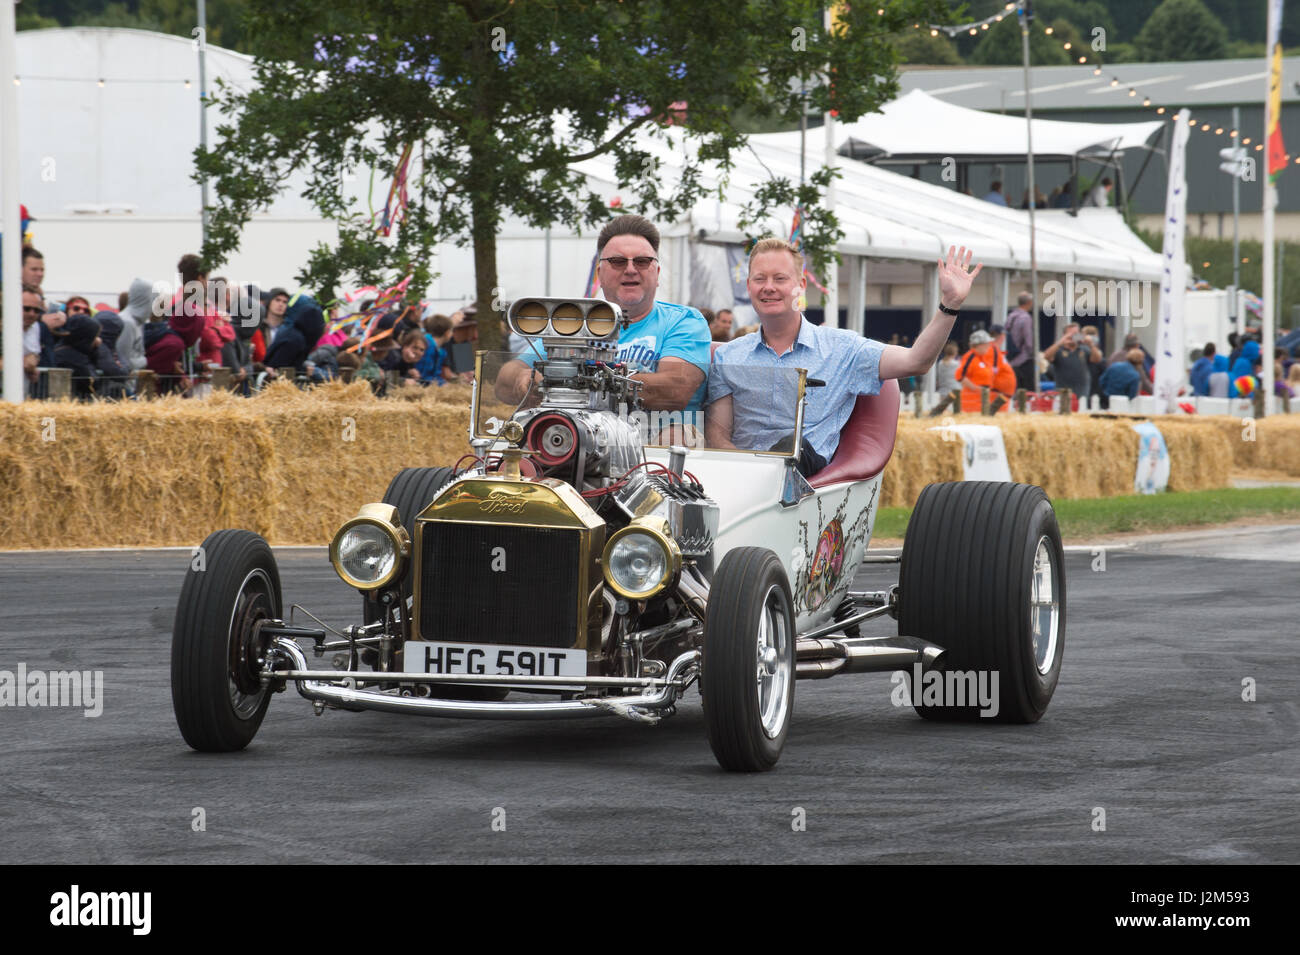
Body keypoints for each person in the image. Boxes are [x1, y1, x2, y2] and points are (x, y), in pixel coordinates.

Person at [707, 238, 982, 476]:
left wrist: (950, 305)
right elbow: (717, 435)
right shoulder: (728, 356)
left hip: (807, 482)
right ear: (749, 286)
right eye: (760, 279)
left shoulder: (843, 349)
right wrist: (744, 471)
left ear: (800, 285)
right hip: (744, 478)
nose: (769, 287)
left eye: (780, 279)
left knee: (795, 449)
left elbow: (916, 361)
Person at [496, 214, 710, 410]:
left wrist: (571, 383)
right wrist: (523, 379)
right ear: (600, 274)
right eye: (617, 261)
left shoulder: (683, 321)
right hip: (574, 443)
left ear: (657, 273)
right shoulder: (574, 321)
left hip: (655, 444)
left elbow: (674, 390)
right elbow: (504, 380)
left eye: (642, 261)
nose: (630, 269)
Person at [954, 329, 1015, 413]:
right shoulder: (970, 357)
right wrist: (977, 389)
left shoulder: (982, 358)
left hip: (982, 400)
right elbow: (960, 376)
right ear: (980, 345)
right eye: (987, 344)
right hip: (972, 402)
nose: (989, 346)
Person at [1043, 322, 1102, 401]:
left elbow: (1097, 359)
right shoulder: (1059, 350)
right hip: (1063, 392)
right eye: (1070, 334)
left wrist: (1091, 345)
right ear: (1064, 335)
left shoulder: (1084, 349)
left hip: (1082, 392)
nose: (1073, 337)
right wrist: (1060, 342)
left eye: (1076, 334)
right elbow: (1047, 356)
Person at [52, 314, 102, 400]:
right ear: (86, 338)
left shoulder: (62, 348)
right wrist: (94, 350)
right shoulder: (72, 357)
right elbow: (91, 382)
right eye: (94, 337)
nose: (97, 340)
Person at [116, 277, 154, 372]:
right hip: (124, 384)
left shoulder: (138, 323)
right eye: (153, 300)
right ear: (145, 299)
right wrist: (145, 361)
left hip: (133, 382)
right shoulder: (127, 322)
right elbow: (124, 360)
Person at [1005, 291, 1036, 391]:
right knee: (1028, 391)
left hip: (1011, 358)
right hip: (1024, 359)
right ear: (1029, 303)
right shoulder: (1026, 317)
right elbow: (1028, 340)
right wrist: (1032, 353)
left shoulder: (1011, 316)